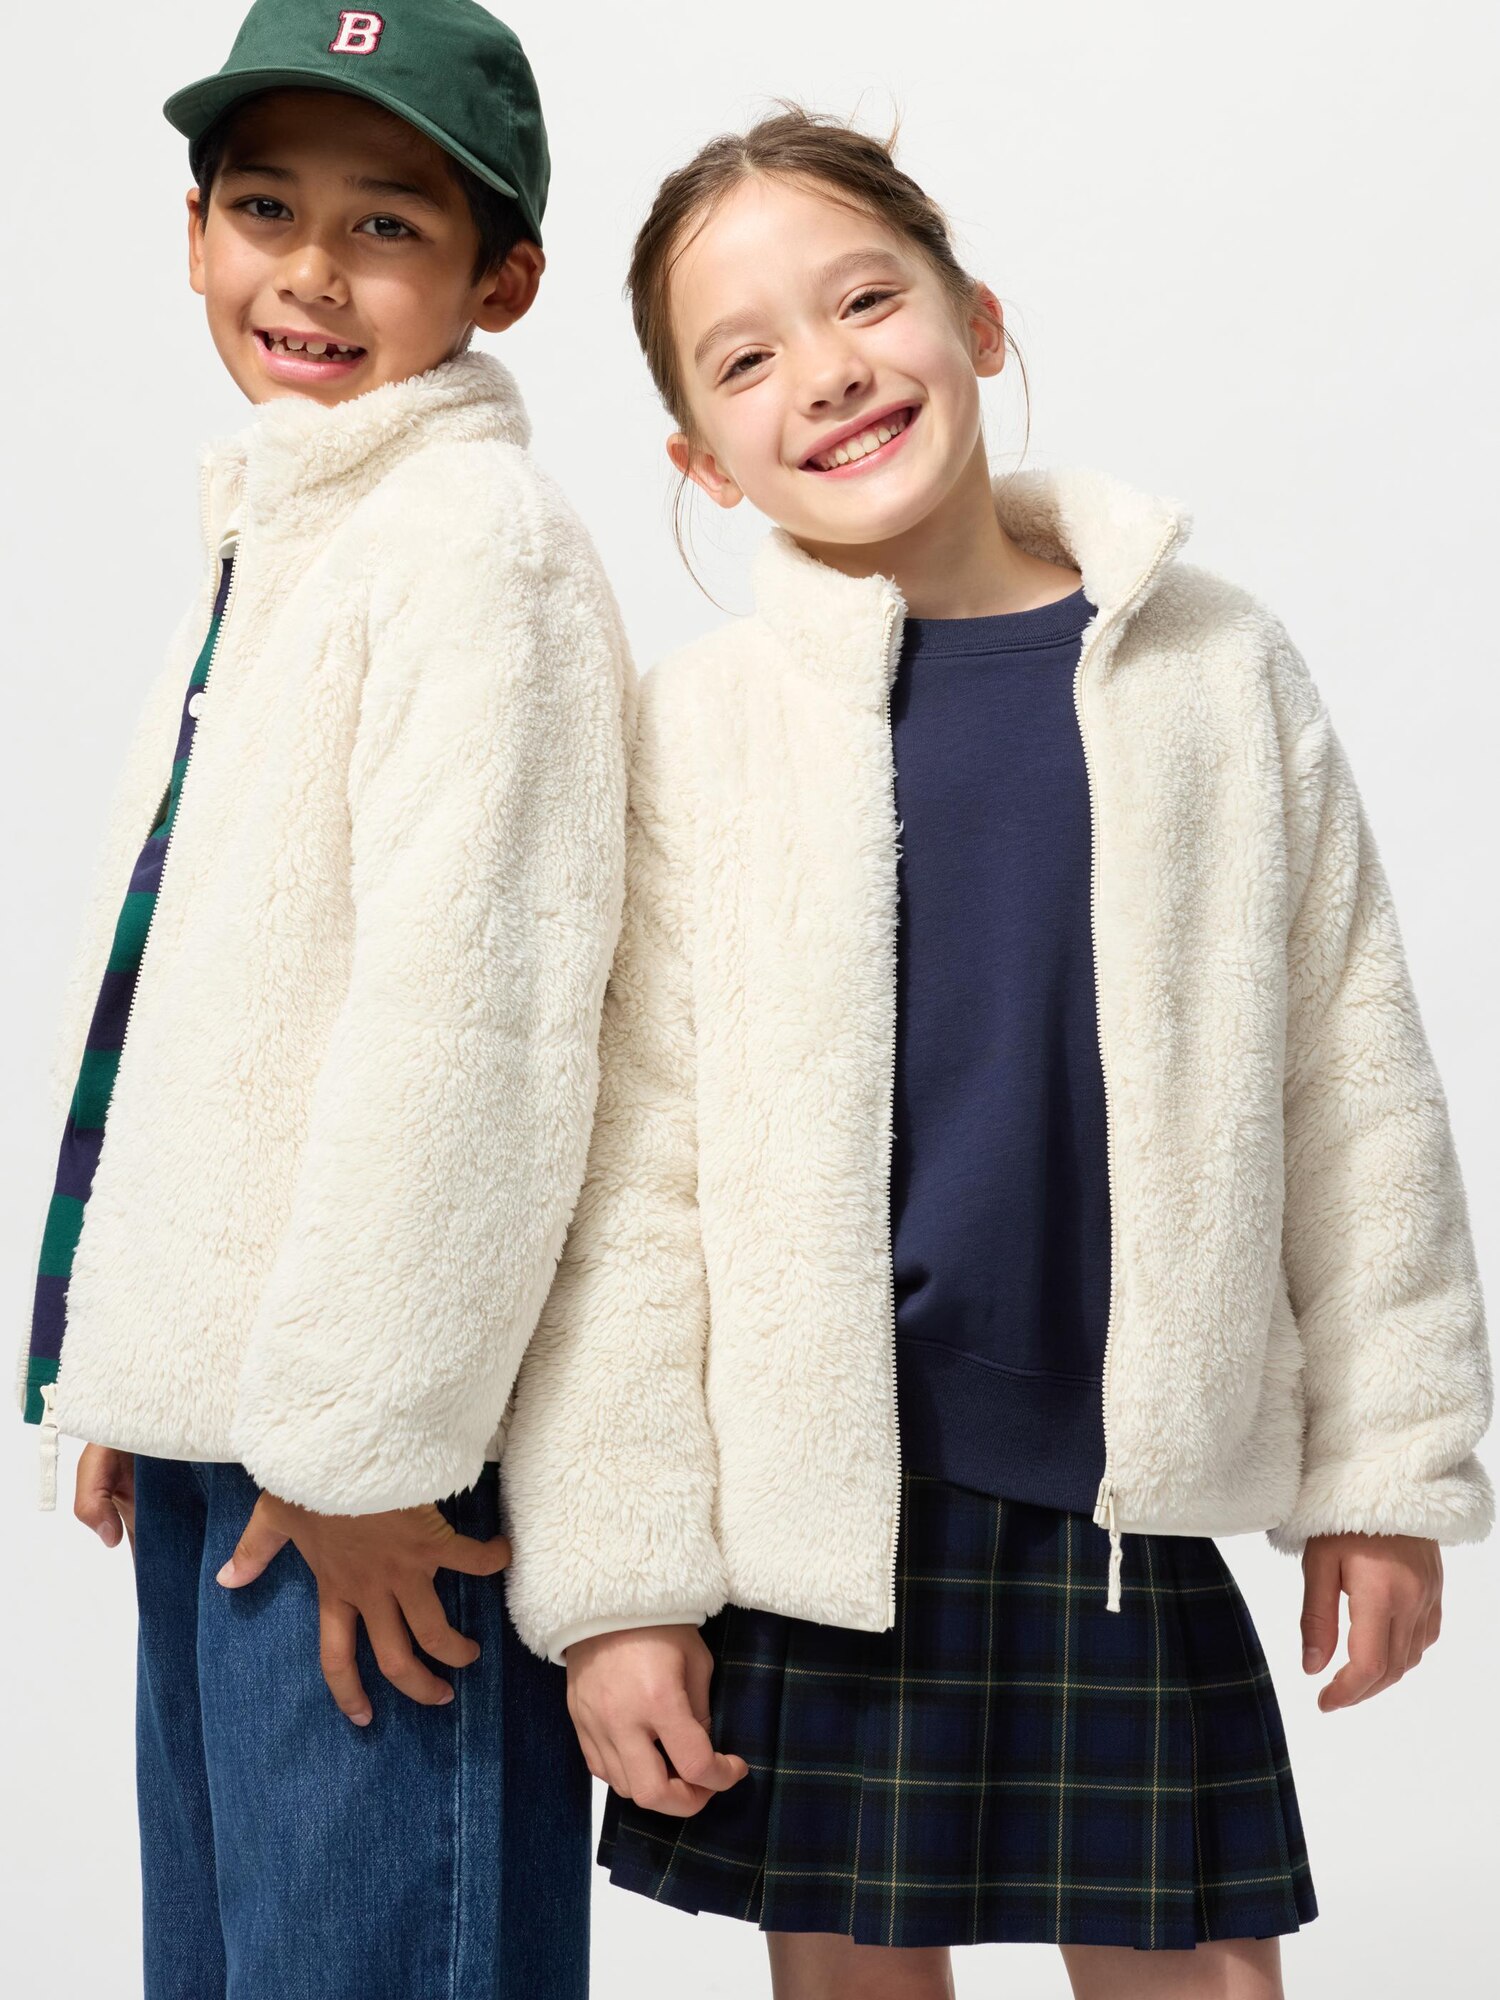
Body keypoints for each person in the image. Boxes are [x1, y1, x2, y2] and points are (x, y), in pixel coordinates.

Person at [501, 107, 1494, 2000]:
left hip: (1125, 1483)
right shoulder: (702, 731)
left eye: (866, 300)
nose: (827, 370)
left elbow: (1354, 1086)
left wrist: (1385, 1469)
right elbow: (636, 1182)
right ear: (697, 457)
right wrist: (620, 1585)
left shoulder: (1214, 667)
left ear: (979, 317)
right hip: (827, 1505)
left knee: (1202, 1973)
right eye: (746, 358)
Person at [14, 4, 633, 1995]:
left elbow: (475, 1031)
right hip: (249, 1426)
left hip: (370, 1457)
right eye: (267, 208)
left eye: (387, 226)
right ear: (194, 232)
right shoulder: (292, 527)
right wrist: (145, 1358)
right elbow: (199, 989)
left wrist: (367, 1452)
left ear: (501, 280)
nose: (311, 271)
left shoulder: (472, 543)